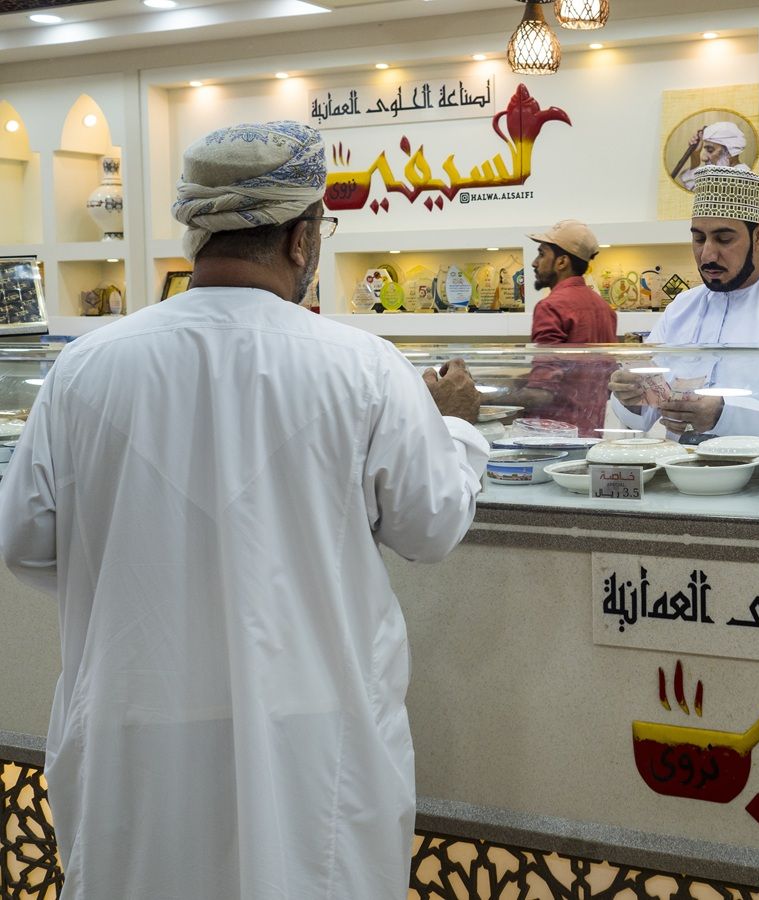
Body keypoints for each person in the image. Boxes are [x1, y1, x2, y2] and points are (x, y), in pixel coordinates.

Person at [0, 120, 488, 900]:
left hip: (137, 729)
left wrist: (147, 576)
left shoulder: (86, 369)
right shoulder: (360, 365)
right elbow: (430, 526)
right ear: (302, 240)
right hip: (312, 739)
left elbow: (23, 542)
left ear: (197, 230)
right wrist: (458, 427)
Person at [609, 165, 759, 442]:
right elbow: (646, 412)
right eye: (699, 238)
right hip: (679, 476)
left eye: (724, 239)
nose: (708, 254)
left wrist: (726, 414)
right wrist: (630, 395)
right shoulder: (680, 310)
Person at [506, 220, 617, 437]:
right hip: (590, 436)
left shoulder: (551, 306)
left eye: (541, 254)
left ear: (562, 262)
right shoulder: (605, 308)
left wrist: (484, 399)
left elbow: (542, 394)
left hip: (554, 438)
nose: (534, 263)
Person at [674, 121, 753, 191]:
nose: (703, 158)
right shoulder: (719, 175)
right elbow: (695, 187)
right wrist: (695, 154)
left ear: (729, 151)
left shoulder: (742, 180)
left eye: (710, 150)